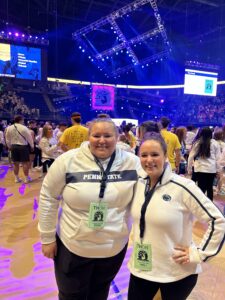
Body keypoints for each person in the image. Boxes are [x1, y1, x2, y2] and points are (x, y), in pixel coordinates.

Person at [38, 118, 140, 300]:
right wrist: (47, 237)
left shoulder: (132, 163)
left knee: (100, 293)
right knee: (71, 295)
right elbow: (48, 196)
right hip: (73, 245)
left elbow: (146, 196)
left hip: (113, 246)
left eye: (108, 135)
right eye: (97, 135)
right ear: (88, 137)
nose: (102, 140)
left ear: (117, 138)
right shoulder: (67, 161)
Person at [128, 132, 225, 300]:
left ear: (166, 156)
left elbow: (217, 220)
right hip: (141, 267)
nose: (149, 160)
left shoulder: (183, 187)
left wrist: (200, 254)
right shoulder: (137, 183)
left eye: (155, 154)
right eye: (144, 155)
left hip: (176, 272)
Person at [187, 127, 221, 201]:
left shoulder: (198, 143)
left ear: (201, 133)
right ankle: (210, 206)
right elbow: (218, 159)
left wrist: (189, 169)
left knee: (200, 188)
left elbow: (190, 156)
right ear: (211, 134)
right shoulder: (215, 143)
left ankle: (200, 205)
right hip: (211, 169)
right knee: (209, 188)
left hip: (199, 168)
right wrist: (218, 170)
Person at [5, 115, 34, 183]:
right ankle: (26, 178)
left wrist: (9, 146)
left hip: (14, 146)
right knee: (25, 163)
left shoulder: (9, 128)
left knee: (15, 163)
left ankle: (16, 178)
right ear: (20, 120)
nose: (23, 121)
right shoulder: (24, 128)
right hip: (23, 147)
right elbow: (29, 138)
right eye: (23, 120)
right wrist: (32, 146)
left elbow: (7, 138)